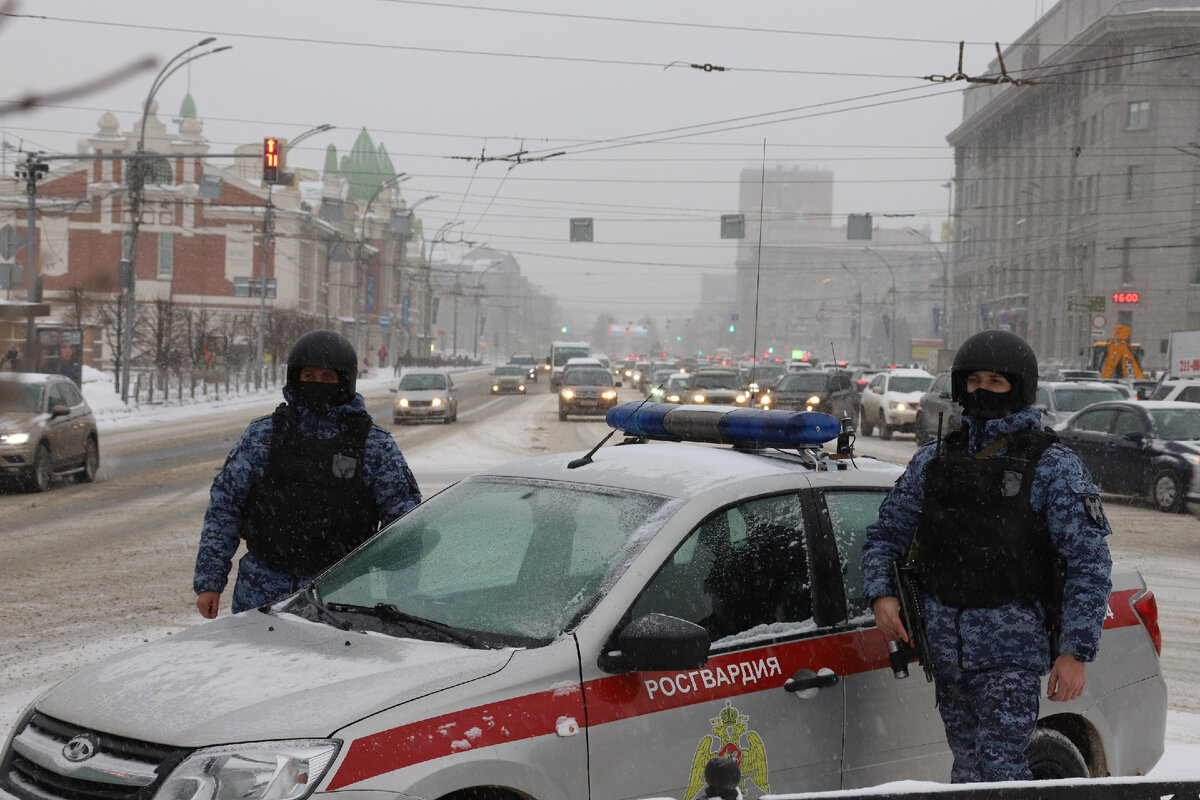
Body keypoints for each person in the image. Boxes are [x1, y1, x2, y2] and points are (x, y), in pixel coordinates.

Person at [860, 330, 1112, 783]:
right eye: (974, 380)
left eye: (995, 381)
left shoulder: (1052, 467)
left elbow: (1088, 566)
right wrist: (882, 594)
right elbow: (885, 534)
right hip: (945, 645)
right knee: (967, 764)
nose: (981, 390)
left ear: (1019, 387)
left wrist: (1076, 652)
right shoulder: (933, 461)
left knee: (1001, 769)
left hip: (1010, 650)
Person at [194, 330, 422, 618]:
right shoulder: (263, 436)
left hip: (341, 592)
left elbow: (404, 525)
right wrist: (209, 582)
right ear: (295, 377)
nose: (317, 384)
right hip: (261, 590)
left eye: (328, 378)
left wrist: (402, 596)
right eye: (309, 375)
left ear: (345, 380)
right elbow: (224, 509)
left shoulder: (372, 445)